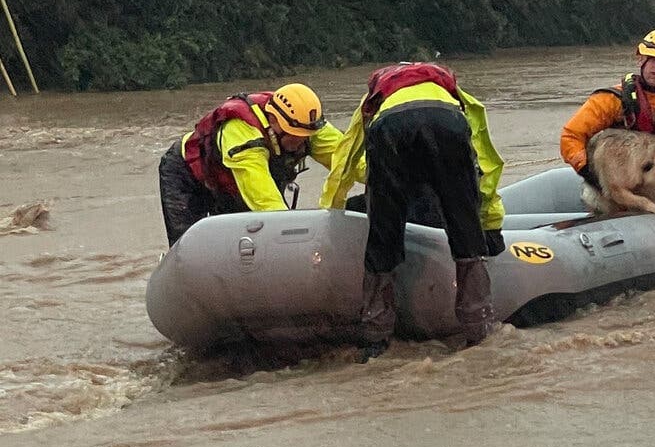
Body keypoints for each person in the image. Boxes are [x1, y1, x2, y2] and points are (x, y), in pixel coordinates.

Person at [321, 62, 506, 355]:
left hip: (391, 128)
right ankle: (478, 332)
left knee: (383, 237)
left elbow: (344, 160)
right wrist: (490, 224)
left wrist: (328, 216)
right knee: (466, 232)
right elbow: (487, 164)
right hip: (447, 124)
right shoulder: (455, 95)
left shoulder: (376, 97)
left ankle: (375, 338)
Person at [157, 83, 340, 246]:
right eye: (293, 135)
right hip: (187, 175)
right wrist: (299, 243)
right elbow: (266, 203)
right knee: (190, 248)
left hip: (229, 186)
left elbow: (349, 160)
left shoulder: (307, 125)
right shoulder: (242, 132)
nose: (300, 142)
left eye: (305, 137)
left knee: (250, 242)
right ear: (274, 120)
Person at [559, 28, 655, 177]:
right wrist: (587, 171)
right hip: (622, 179)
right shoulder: (614, 99)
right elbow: (571, 136)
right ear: (641, 59)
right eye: (653, 60)